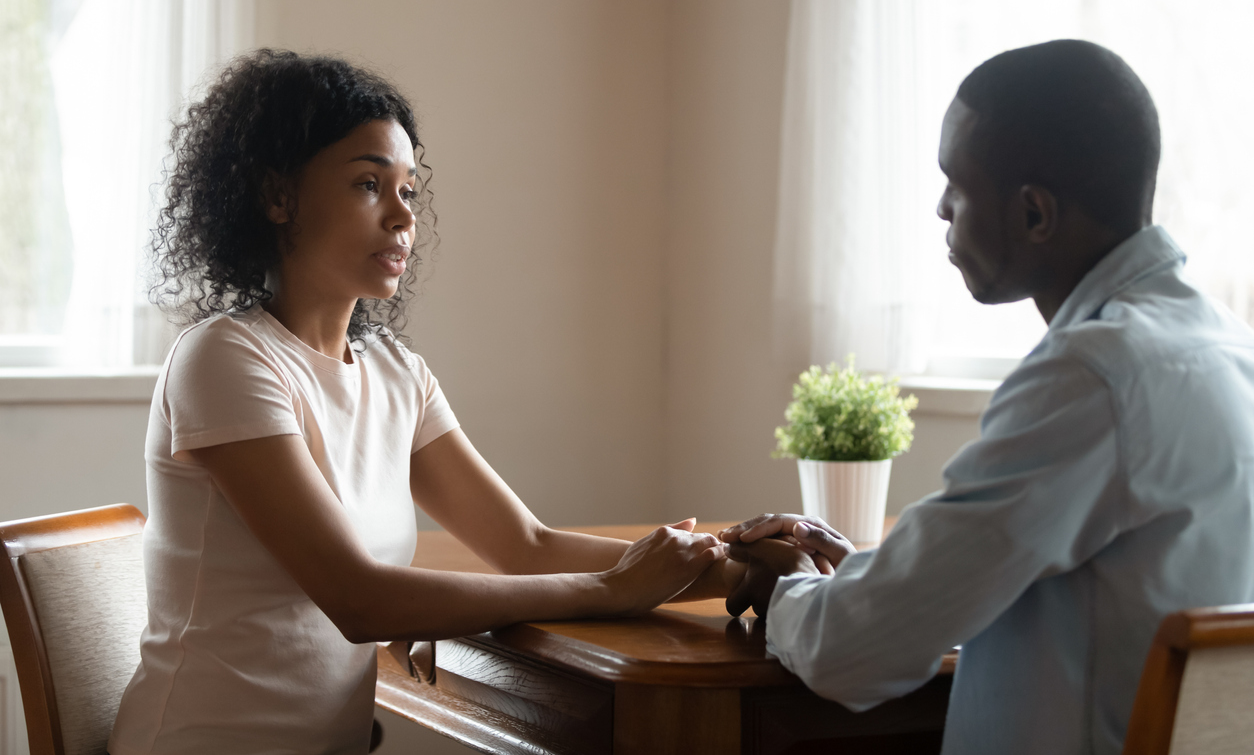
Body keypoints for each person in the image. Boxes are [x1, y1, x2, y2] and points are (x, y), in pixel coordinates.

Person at [108, 50, 738, 755]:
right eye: (368, 184)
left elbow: (526, 546)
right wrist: (609, 589)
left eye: (409, 190)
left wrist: (730, 565)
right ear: (278, 195)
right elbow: (360, 599)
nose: (400, 216)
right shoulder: (225, 359)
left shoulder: (397, 373)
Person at [719, 39, 1254, 754]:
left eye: (956, 185)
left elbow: (849, 653)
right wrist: (875, 575)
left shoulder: (1091, 377)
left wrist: (790, 584)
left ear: (1034, 213)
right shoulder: (1227, 346)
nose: (941, 208)